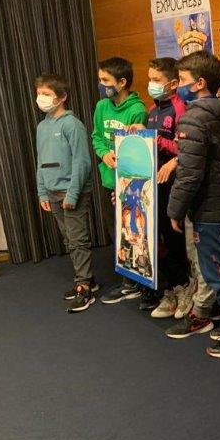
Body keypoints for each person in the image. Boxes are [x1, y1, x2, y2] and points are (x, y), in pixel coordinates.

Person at [166, 51, 220, 356]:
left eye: (182, 80)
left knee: (218, 274)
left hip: (211, 209)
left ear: (200, 83)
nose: (177, 86)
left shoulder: (193, 118)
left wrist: (175, 210)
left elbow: (189, 175)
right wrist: (217, 75)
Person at [131, 57, 191, 315]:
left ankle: (184, 287)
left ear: (173, 83)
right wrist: (140, 134)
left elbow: (183, 148)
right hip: (152, 182)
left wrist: (153, 138)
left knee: (174, 235)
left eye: (157, 80)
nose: (151, 84)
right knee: (155, 236)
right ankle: (173, 285)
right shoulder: (153, 110)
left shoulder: (180, 108)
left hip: (173, 182)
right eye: (150, 79)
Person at [34, 73, 96, 313]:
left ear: (62, 97)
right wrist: (42, 192)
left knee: (78, 239)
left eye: (47, 94)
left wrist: (72, 194)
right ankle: (87, 278)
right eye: (39, 93)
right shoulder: (42, 127)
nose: (41, 98)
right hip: (52, 192)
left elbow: (82, 162)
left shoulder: (72, 124)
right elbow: (40, 161)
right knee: (69, 239)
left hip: (72, 192)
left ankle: (84, 287)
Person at [91, 57, 148, 305]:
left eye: (106, 80)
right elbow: (96, 137)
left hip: (129, 184)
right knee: (116, 233)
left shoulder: (137, 110)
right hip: (107, 179)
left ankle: (136, 283)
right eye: (100, 79)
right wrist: (104, 153)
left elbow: (139, 149)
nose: (101, 85)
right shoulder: (101, 106)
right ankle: (127, 280)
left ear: (121, 82)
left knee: (132, 231)